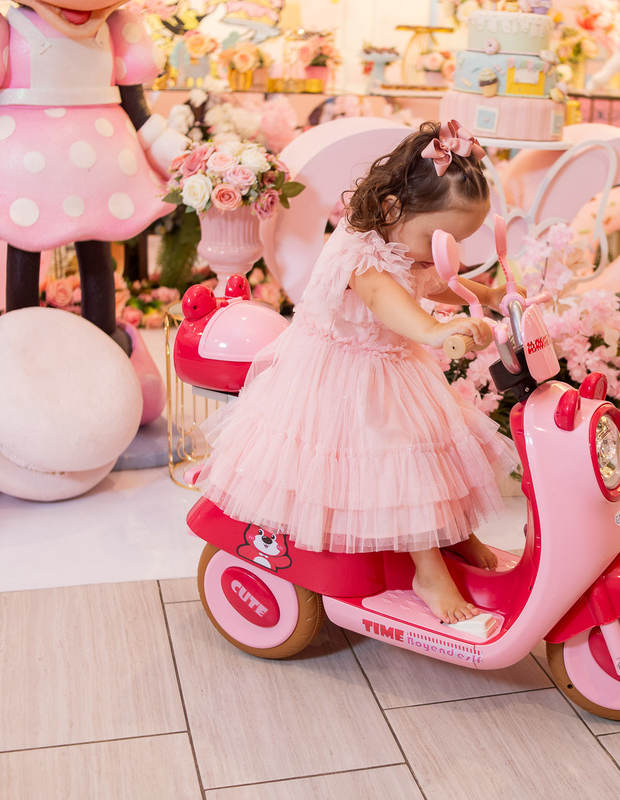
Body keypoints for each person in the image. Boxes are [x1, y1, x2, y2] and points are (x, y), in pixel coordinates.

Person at [199, 120, 518, 623]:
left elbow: (433, 281)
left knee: (439, 443)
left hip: (391, 362)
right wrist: (435, 331)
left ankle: (453, 532)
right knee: (399, 460)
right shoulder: (362, 256)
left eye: (457, 242)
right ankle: (427, 571)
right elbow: (389, 301)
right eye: (440, 239)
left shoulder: (406, 241)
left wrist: (488, 295)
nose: (445, 253)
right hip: (346, 374)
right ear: (392, 209)